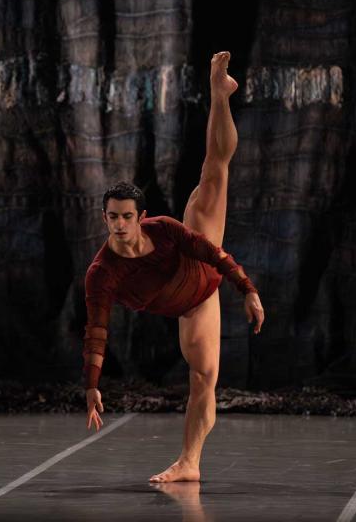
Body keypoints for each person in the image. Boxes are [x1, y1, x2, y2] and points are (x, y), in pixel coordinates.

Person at [82, 52, 266, 482]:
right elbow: (96, 329)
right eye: (114, 217)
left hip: (198, 265)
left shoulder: (164, 230)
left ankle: (220, 95)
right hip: (191, 306)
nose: (122, 224)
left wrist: (247, 288)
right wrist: (92, 383)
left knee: (214, 172)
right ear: (105, 218)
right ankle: (191, 464)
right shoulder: (102, 272)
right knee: (203, 378)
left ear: (140, 216)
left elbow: (211, 253)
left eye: (129, 216)